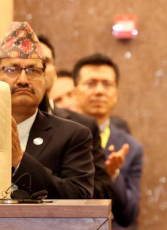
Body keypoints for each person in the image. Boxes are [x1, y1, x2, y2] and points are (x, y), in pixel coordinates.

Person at [73, 53, 145, 230]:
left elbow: (129, 214)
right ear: (76, 90)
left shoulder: (131, 147)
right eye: (91, 83)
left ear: (116, 92)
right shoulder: (60, 134)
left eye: (107, 84)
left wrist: (113, 176)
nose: (99, 91)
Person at [0, 22, 93, 199]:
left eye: (33, 70)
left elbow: (80, 197)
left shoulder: (73, 135)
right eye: (12, 70)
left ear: (45, 79)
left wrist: (19, 160)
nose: (23, 80)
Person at [37, 36, 113, 200]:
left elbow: (99, 190)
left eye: (44, 61)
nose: (38, 68)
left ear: (54, 72)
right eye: (28, 64)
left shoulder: (82, 126)